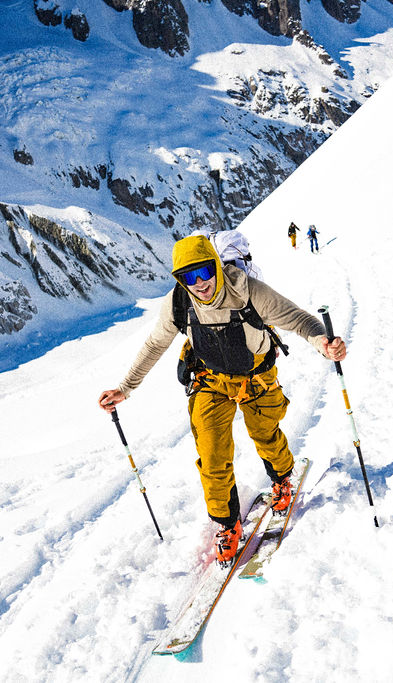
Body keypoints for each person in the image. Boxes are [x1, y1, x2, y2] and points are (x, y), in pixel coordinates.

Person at [98, 235, 347, 565]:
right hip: (210, 380)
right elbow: (155, 344)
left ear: (216, 265)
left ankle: (283, 479)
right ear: (180, 280)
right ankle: (228, 525)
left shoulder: (248, 291)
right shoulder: (179, 303)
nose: (199, 284)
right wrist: (125, 388)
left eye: (204, 272)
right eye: (189, 277)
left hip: (257, 375)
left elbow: (298, 319)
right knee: (212, 454)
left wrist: (323, 344)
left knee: (266, 433)